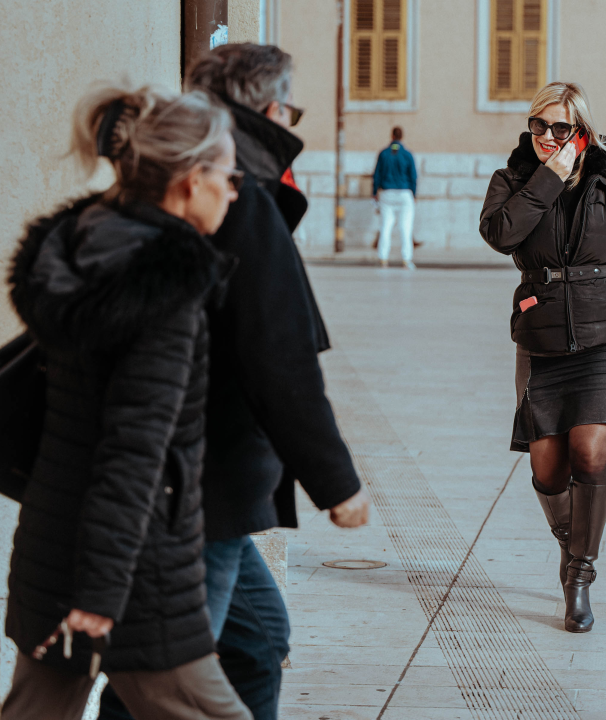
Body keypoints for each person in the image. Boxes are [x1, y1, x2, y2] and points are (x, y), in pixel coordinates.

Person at [97, 44, 370, 720]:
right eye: (290, 110)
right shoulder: (237, 192)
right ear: (272, 109)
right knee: (165, 676)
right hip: (205, 480)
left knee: (254, 641)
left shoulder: (185, 176)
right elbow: (277, 356)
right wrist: (337, 483)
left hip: (199, 479)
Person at [1, 84, 249, 719]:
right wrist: (99, 597)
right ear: (190, 181)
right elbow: (134, 451)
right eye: (229, 176)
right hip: (135, 573)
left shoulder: (88, 248)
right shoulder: (163, 291)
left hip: (56, 547)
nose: (234, 191)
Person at [479, 82, 606, 633]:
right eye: (538, 125)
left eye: (560, 127)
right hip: (540, 336)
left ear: (581, 130)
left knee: (589, 453)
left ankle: (579, 576)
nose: (547, 136)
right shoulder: (513, 179)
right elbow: (500, 234)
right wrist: (547, 178)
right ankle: (572, 542)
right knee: (547, 469)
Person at [372, 126, 418, 269]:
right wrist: (414, 193)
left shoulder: (383, 153)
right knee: (406, 227)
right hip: (404, 193)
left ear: (392, 136)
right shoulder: (407, 154)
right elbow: (413, 176)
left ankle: (383, 258)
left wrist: (374, 192)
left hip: (387, 193)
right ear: (401, 137)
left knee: (385, 226)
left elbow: (377, 175)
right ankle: (406, 259)